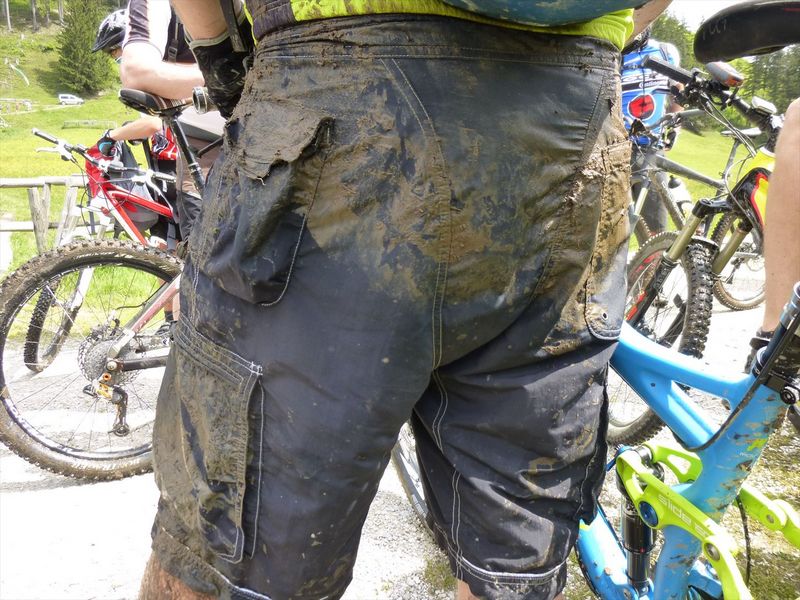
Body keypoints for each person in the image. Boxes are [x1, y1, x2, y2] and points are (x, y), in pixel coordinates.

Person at [139, 1, 670, 599]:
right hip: (573, 126)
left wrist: (223, 59)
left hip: (339, 94)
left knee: (230, 556)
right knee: (512, 554)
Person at [621, 28, 683, 235]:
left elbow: (678, 90)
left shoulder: (666, 52)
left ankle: (654, 259)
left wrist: (676, 126)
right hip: (616, 150)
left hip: (652, 150)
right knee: (610, 229)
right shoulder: (614, 53)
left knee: (655, 230)